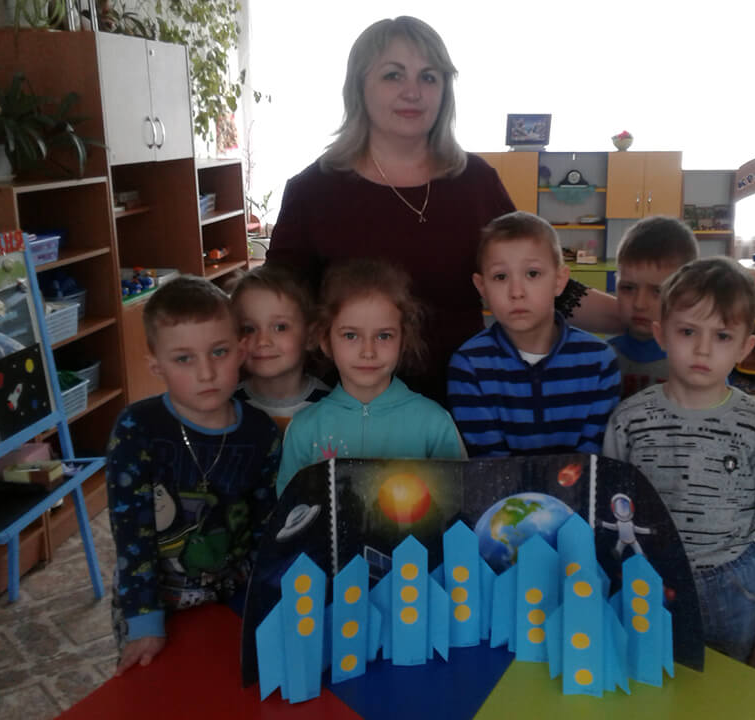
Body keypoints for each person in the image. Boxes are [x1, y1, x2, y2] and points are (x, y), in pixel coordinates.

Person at [265, 16, 620, 402]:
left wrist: (635, 316)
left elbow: (539, 283)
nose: (413, 92)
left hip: (473, 405)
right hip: (349, 412)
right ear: (358, 87)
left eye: (429, 77)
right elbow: (274, 311)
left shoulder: (477, 181)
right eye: (393, 75)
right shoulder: (312, 191)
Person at [601, 257, 755, 678]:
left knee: (728, 696)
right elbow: (609, 516)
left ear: (745, 347)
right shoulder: (627, 421)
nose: (703, 349)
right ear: (661, 334)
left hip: (731, 592)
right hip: (647, 583)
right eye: (688, 331)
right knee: (651, 689)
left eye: (722, 335)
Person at [106, 276, 281, 675]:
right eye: (184, 359)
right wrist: (145, 621)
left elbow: (264, 526)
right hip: (154, 602)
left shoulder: (261, 432)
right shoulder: (137, 429)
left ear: (240, 351)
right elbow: (131, 533)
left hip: (233, 597)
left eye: (218, 352)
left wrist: (264, 599)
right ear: (156, 366)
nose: (206, 373)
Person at [277, 258, 465, 496]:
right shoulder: (304, 429)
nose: (368, 352)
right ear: (325, 341)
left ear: (403, 341)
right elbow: (291, 511)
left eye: (384, 336)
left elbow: (460, 503)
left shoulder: (435, 423)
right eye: (351, 335)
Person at [447, 212, 621, 457]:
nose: (516, 292)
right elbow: (490, 464)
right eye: (500, 277)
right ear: (482, 286)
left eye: (532, 274)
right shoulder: (469, 367)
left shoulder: (600, 361)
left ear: (559, 280)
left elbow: (591, 460)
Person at [230, 265, 329, 432]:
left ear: (311, 337)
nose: (263, 341)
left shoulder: (330, 405)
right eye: (249, 329)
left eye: (280, 327)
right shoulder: (228, 405)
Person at [610, 216, 699, 398]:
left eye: (658, 291)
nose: (639, 304)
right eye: (628, 288)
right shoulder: (602, 358)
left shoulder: (701, 363)